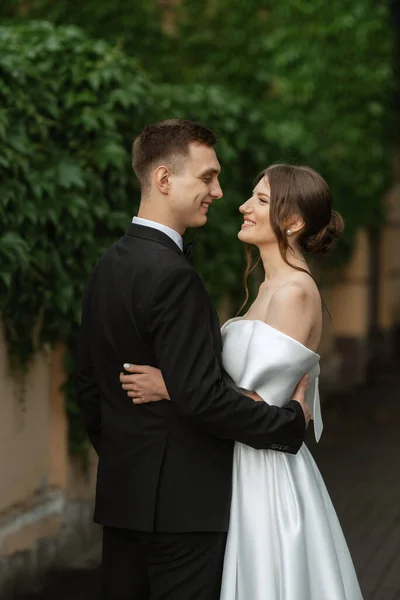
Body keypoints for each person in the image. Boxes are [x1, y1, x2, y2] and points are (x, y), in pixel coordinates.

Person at [75, 120, 311, 600]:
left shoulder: (109, 265)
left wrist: (131, 461)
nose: (219, 192)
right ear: (164, 180)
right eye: (207, 178)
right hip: (186, 510)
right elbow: (203, 399)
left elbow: (89, 388)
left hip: (124, 501)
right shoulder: (172, 276)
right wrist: (289, 423)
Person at [120, 164, 364, 599]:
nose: (243, 206)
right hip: (239, 461)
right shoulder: (268, 287)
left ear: (293, 223)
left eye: (262, 201)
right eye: (252, 196)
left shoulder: (294, 292)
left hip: (264, 472)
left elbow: (260, 406)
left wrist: (170, 386)